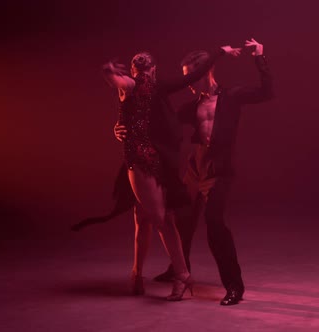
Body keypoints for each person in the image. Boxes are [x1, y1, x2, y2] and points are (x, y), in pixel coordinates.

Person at [115, 38, 273, 305]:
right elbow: (154, 124)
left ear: (207, 72)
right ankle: (178, 270)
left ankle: (234, 286)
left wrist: (259, 57)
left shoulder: (231, 97)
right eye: (186, 80)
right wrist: (120, 129)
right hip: (194, 169)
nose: (188, 85)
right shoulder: (190, 107)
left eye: (193, 78)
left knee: (214, 224)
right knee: (180, 220)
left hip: (217, 171)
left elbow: (266, 92)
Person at [90, 44, 241, 301]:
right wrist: (220, 53)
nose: (143, 78)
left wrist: (108, 71)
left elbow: (192, 77)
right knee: (143, 217)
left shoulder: (139, 86)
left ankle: (182, 275)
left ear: (142, 71)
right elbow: (191, 77)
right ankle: (138, 275)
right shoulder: (144, 85)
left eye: (143, 73)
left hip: (144, 160)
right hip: (146, 158)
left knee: (160, 218)